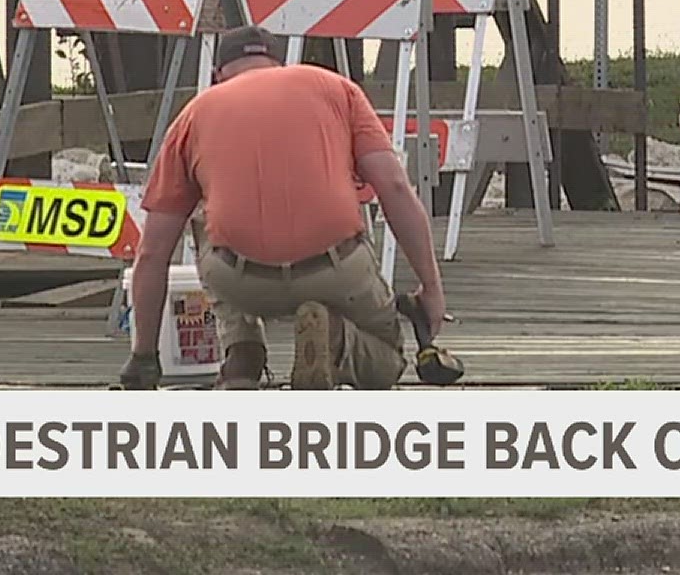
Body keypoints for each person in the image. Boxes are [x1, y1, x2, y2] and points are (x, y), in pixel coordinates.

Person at [119, 24, 448, 390]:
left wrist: (143, 357)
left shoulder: (194, 114)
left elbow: (152, 253)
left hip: (240, 280)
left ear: (218, 76)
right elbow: (396, 189)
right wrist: (431, 288)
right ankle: (335, 341)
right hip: (337, 270)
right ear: (279, 63)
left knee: (201, 218)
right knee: (388, 357)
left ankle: (242, 350)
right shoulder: (337, 90)